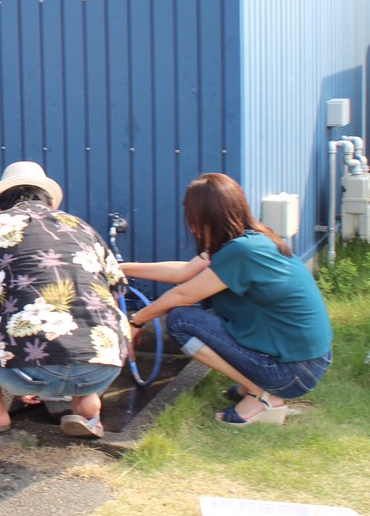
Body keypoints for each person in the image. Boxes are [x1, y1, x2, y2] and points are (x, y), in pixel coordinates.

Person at [121, 173, 333, 426]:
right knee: (201, 309)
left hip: (294, 372)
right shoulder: (251, 239)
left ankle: (261, 394)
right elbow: (182, 273)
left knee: (180, 320)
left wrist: (136, 321)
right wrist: (119, 268)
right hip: (307, 362)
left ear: (204, 217)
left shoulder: (241, 251)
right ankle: (259, 384)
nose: (190, 225)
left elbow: (184, 294)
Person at [0, 161, 128, 439]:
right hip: (102, 371)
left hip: (28, 372)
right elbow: (116, 291)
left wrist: (26, 360)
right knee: (95, 301)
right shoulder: (85, 229)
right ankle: (87, 404)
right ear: (52, 204)